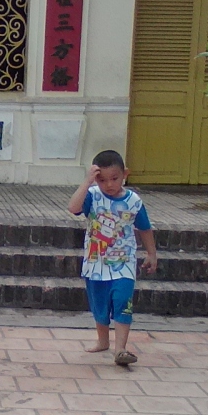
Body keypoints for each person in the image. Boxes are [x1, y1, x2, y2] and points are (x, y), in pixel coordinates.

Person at [67, 149, 158, 367]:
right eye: (102, 180)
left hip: (124, 263)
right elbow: (73, 207)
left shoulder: (134, 201)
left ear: (125, 174)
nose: (109, 184)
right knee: (99, 304)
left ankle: (121, 349)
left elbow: (145, 228)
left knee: (122, 301)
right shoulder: (92, 196)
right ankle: (103, 341)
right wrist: (87, 182)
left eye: (114, 178)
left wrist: (151, 253)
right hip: (95, 263)